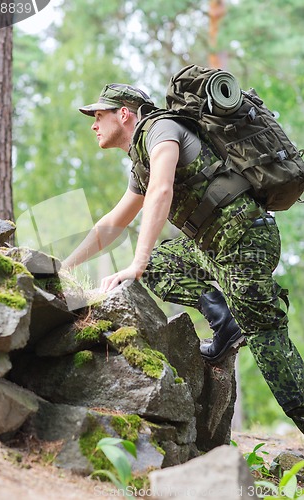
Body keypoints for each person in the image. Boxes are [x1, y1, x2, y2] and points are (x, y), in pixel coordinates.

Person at [62, 83, 304, 433]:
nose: (93, 125)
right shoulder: (140, 161)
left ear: (124, 113)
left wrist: (136, 262)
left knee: (270, 346)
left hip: (245, 239)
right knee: (162, 265)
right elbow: (111, 224)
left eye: (99, 116)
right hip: (212, 247)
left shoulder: (161, 130)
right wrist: (64, 267)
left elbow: (163, 190)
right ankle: (225, 321)